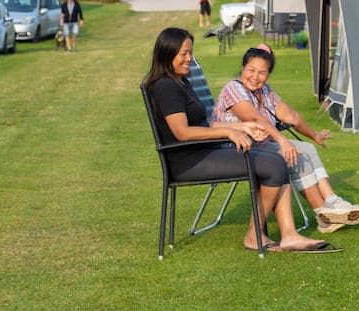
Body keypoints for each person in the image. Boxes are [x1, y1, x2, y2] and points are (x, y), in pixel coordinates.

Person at [143, 27, 338, 253]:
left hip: (202, 152)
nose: (189, 59)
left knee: (274, 160)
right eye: (184, 54)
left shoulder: (180, 82)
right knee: (274, 163)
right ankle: (255, 235)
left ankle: (289, 235)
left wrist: (241, 126)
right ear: (167, 54)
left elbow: (205, 124)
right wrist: (228, 133)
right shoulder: (166, 86)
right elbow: (183, 133)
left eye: (190, 52)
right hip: (188, 161)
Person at [214, 44, 359, 232]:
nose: (255, 77)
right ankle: (324, 213)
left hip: (259, 146)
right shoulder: (233, 89)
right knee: (293, 154)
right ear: (243, 67)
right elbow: (254, 118)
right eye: (251, 70)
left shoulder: (265, 91)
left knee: (306, 149)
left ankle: (332, 201)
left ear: (268, 75)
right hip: (236, 150)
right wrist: (282, 140)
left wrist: (314, 135)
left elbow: (291, 116)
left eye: (262, 73)